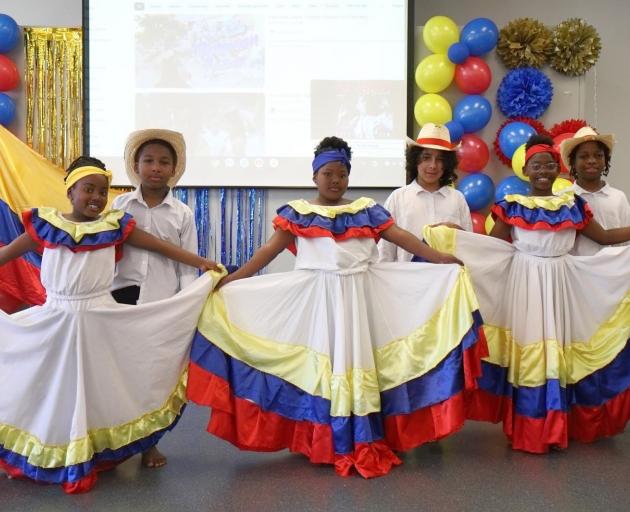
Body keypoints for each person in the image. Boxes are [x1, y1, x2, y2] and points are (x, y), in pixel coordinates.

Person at [187, 136, 488, 478]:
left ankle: (361, 433)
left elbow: (402, 237)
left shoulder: (364, 210)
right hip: (317, 303)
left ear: (349, 176)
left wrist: (439, 259)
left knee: (357, 361)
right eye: (328, 173)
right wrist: (234, 279)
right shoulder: (299, 214)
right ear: (315, 175)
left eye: (341, 174)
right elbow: (266, 252)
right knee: (323, 367)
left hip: (359, 298)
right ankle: (323, 436)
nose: (335, 180)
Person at [0, 157, 222, 493]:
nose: (96, 197)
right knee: (51, 387)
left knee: (107, 387)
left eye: (102, 191)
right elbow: (7, 254)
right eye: (88, 189)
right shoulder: (46, 226)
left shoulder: (114, 227)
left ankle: (104, 447)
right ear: (71, 190)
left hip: (100, 321)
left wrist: (202, 263)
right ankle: (53, 447)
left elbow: (163, 248)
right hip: (56, 321)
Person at [423, 134, 630, 454]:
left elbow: (603, 237)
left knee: (557, 349)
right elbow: (493, 247)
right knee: (533, 349)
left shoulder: (572, 205)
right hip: (526, 284)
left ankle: (557, 422)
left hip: (562, 282)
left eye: (549, 164)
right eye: (537, 165)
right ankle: (530, 426)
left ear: (558, 169)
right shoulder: (511, 207)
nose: (544, 170)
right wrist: (459, 237)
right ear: (526, 171)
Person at [111, 129, 198, 468]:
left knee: (156, 377)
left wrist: (189, 303)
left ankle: (150, 443)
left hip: (163, 304)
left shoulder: (182, 214)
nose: (156, 168)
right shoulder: (120, 205)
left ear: (174, 169)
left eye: (164, 162)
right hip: (121, 300)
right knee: (120, 373)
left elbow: (187, 263)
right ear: (136, 165)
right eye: (148, 161)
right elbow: (106, 252)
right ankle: (116, 443)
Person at [378, 123, 472, 263]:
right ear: (415, 159)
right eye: (426, 157)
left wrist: (457, 231)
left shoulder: (457, 199)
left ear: (447, 164)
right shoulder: (398, 198)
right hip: (409, 280)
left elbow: (469, 246)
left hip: (448, 279)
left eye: (440, 159)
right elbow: (385, 252)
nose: (433, 165)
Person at [558, 126, 630, 255]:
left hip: (612, 270)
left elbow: (626, 241)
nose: (591, 161)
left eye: (598, 155)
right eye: (583, 156)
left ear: (605, 160)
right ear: (573, 162)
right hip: (577, 271)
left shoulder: (618, 197)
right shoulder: (564, 198)